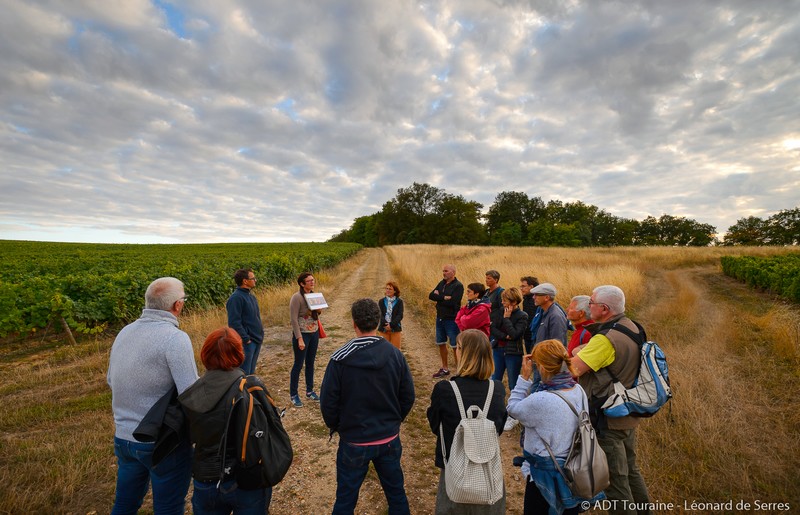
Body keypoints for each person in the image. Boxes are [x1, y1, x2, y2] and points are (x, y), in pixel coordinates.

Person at [107, 277, 199, 515]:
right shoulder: (175, 338)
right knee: (168, 507)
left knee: (125, 504)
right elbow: (191, 394)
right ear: (177, 306)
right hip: (161, 442)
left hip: (124, 438)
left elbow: (110, 379)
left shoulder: (125, 331)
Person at [320, 299, 416, 515]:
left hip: (354, 441)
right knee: (396, 494)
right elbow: (408, 395)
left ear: (354, 323)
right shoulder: (395, 354)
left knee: (345, 499)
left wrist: (339, 426)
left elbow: (328, 403)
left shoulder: (339, 359)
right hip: (388, 439)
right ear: (378, 321)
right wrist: (393, 420)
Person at [572, 285, 651, 515]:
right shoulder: (632, 327)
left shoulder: (606, 339)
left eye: (592, 303)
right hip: (627, 412)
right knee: (631, 471)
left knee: (615, 483)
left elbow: (573, 370)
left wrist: (577, 352)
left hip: (607, 419)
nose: (589, 306)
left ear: (604, 309)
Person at [178, 327, 272, 514]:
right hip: (247, 479)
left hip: (205, 478)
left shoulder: (190, 394)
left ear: (205, 354)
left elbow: (187, 436)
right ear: (239, 353)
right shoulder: (250, 388)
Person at [508, 339, 599, 515]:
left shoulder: (541, 399)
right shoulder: (577, 390)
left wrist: (523, 378)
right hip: (573, 470)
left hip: (545, 475)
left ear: (542, 367)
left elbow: (513, 409)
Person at [427, 329, 508, 514]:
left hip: (454, 469)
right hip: (487, 471)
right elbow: (499, 427)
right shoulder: (497, 390)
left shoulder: (444, 389)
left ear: (462, 353)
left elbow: (435, 426)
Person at [490, 287, 528, 431]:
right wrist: (505, 336)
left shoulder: (522, 315)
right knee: (495, 381)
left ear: (513, 301)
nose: (502, 303)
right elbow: (493, 328)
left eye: (505, 300)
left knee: (513, 384)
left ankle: (514, 415)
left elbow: (515, 334)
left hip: (513, 353)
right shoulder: (500, 311)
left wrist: (507, 319)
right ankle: (495, 411)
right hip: (498, 350)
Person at [289, 272, 324, 408]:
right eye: (309, 281)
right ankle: (294, 395)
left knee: (310, 363)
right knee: (298, 365)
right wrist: (299, 338)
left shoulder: (314, 295)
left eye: (313, 280)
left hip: (313, 332)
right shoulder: (296, 298)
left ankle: (310, 391)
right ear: (302, 284)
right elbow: (293, 319)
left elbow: (316, 313)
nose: (312, 282)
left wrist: (318, 309)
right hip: (302, 334)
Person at [429, 264, 464, 378]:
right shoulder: (442, 283)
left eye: (446, 271)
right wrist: (444, 297)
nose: (443, 273)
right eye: (443, 271)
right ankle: (445, 368)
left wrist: (439, 296)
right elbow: (431, 296)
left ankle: (459, 371)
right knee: (441, 343)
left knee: (455, 345)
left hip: (452, 319)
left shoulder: (458, 286)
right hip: (440, 317)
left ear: (453, 272)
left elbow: (453, 302)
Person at [226, 268, 264, 375]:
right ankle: (243, 392)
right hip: (247, 343)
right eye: (253, 278)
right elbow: (234, 323)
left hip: (256, 339)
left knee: (251, 373)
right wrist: (246, 339)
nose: (255, 280)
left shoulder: (250, 296)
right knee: (243, 374)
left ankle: (249, 391)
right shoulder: (236, 298)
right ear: (245, 281)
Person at [530, 283, 568, 347]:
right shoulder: (544, 312)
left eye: (537, 295)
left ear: (547, 297)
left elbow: (557, 345)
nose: (533, 297)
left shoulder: (555, 316)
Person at [378, 281, 404, 349]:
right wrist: (386, 324)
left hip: (395, 328)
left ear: (395, 291)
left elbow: (400, 315)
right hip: (384, 328)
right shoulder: (381, 301)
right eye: (386, 288)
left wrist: (391, 325)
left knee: (396, 351)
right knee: (383, 351)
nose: (388, 290)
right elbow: (379, 314)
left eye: (390, 289)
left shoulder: (399, 302)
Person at [483, 271, 505, 345]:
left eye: (489, 278)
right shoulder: (486, 292)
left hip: (494, 326)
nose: (486, 280)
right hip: (485, 325)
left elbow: (502, 308)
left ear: (496, 280)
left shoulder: (501, 292)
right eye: (486, 278)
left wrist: (495, 323)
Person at [519, 276, 540, 354]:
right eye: (521, 286)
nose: (521, 288)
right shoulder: (526, 300)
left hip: (535, 337)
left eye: (523, 286)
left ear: (531, 287)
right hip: (527, 335)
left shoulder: (538, 301)